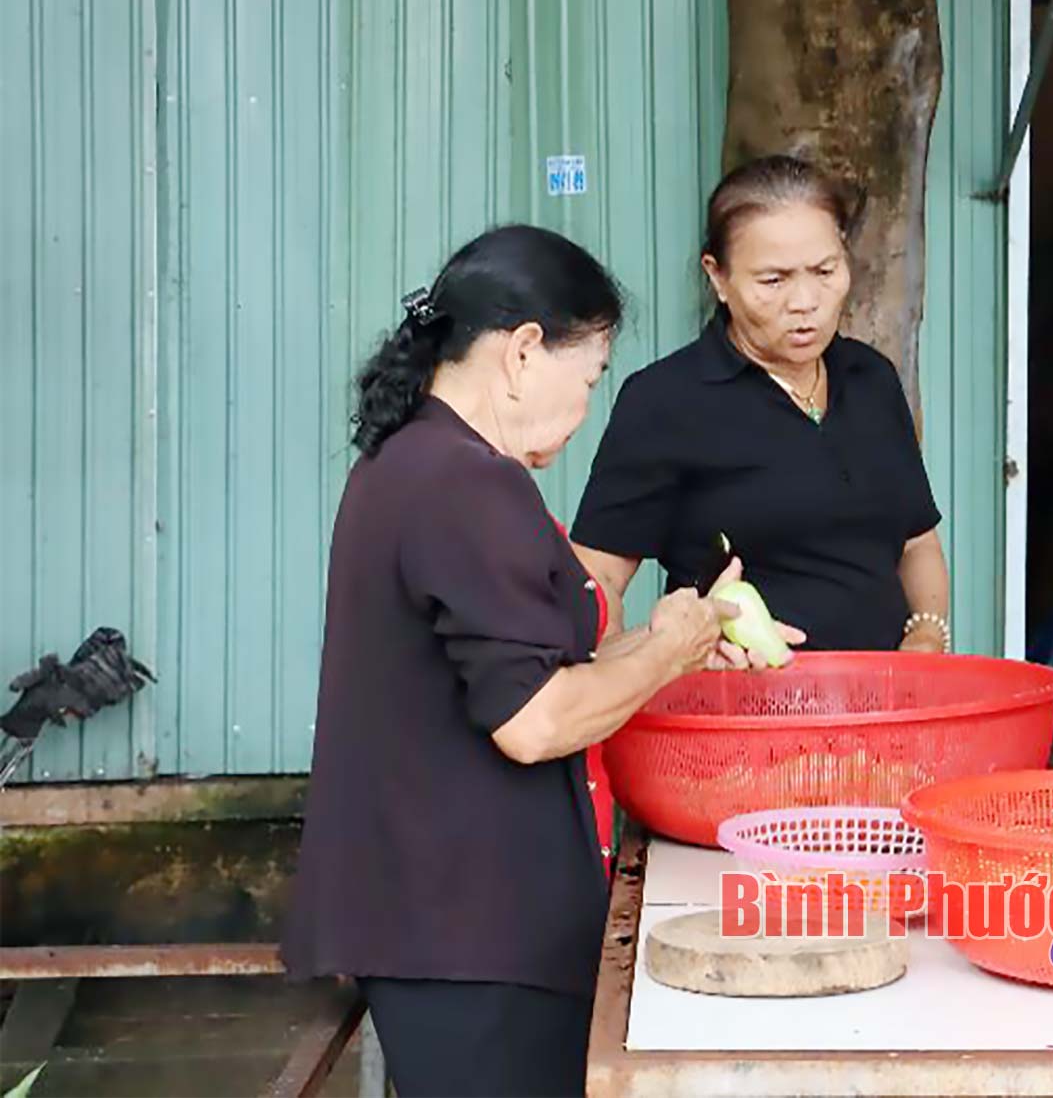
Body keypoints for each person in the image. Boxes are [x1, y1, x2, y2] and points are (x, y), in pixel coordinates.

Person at [282, 225, 792, 1097]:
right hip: (467, 925)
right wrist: (665, 649)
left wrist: (678, 640)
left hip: (445, 918)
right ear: (522, 352)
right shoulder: (466, 483)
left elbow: (529, 662)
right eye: (588, 376)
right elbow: (535, 718)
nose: (588, 405)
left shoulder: (413, 461)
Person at [569, 154, 951, 655]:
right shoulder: (667, 401)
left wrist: (926, 636)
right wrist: (640, 661)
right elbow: (594, 581)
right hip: (737, 716)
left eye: (824, 270)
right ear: (719, 277)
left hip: (881, 711)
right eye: (774, 280)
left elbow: (916, 541)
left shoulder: (871, 380)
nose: (805, 301)